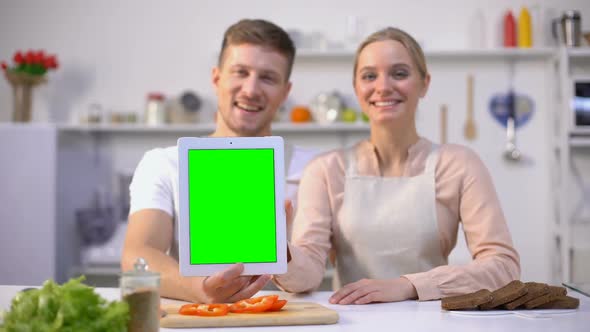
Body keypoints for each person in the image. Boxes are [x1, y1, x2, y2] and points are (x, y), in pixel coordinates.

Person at [273, 27, 520, 304]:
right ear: (356, 88)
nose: (383, 86)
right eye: (369, 76)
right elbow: (308, 275)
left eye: (399, 73)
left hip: (435, 320)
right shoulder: (325, 170)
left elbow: (503, 267)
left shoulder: (460, 164)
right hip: (353, 321)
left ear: (424, 83)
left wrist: (410, 285)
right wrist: (283, 255)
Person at [122, 19, 317, 304]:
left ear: (285, 92)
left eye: (268, 77)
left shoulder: (315, 169)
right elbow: (137, 255)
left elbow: (316, 266)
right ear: (216, 78)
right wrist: (200, 290)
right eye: (240, 72)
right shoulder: (163, 163)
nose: (251, 89)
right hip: (201, 317)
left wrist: (281, 251)